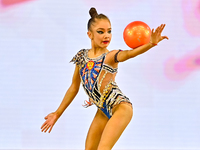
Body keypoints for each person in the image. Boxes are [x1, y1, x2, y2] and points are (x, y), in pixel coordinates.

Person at [41, 7, 168, 150]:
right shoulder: (81, 56)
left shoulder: (111, 56)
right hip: (102, 110)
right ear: (90, 34)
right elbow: (73, 87)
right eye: (100, 32)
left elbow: (130, 54)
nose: (106, 35)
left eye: (109, 31)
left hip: (121, 107)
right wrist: (57, 114)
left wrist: (151, 44)